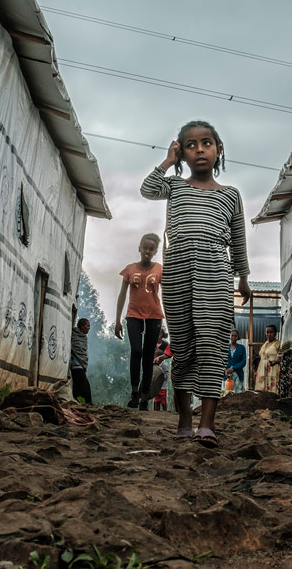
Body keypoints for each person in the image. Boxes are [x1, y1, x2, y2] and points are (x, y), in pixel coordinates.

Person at [140, 120, 251, 448]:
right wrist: (166, 162)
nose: (199, 149)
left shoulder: (230, 195)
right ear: (181, 153)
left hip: (216, 273)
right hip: (176, 273)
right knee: (184, 346)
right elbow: (147, 188)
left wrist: (243, 279)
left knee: (212, 346)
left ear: (218, 150)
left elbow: (239, 240)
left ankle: (207, 424)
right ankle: (185, 420)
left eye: (207, 143)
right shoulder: (173, 186)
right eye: (190, 145)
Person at [114, 233, 164, 411]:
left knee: (148, 356)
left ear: (155, 251)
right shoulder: (129, 269)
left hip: (154, 315)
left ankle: (144, 398)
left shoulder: (159, 269)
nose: (147, 251)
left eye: (151, 249)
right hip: (133, 314)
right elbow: (122, 295)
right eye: (145, 247)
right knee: (136, 351)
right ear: (140, 248)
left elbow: (167, 292)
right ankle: (134, 393)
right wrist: (118, 320)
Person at [69, 318, 92, 405]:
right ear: (82, 327)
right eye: (87, 326)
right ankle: (89, 404)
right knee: (85, 386)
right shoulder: (74, 334)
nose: (89, 328)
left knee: (76, 387)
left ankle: (78, 403)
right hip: (76, 365)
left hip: (80, 365)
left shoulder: (84, 338)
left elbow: (82, 351)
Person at [255, 324, 280, 393]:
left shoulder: (278, 343)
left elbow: (282, 357)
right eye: (267, 332)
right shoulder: (265, 344)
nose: (269, 334)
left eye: (271, 332)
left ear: (275, 333)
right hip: (262, 370)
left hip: (273, 369)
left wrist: (276, 361)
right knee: (262, 392)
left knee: (272, 390)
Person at [225, 329, 247, 393]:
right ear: (229, 336)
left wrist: (233, 368)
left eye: (235, 336)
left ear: (238, 337)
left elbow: (243, 362)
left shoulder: (242, 348)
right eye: (232, 335)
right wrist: (225, 370)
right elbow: (221, 360)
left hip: (238, 375)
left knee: (238, 395)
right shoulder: (225, 347)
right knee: (226, 394)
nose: (233, 337)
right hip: (227, 376)